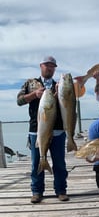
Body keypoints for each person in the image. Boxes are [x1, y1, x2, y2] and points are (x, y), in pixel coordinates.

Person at [17, 56, 69, 204]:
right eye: (47, 65)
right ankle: (37, 191)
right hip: (36, 129)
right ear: (41, 66)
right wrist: (34, 95)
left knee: (59, 162)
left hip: (58, 130)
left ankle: (61, 190)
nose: (50, 68)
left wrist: (61, 92)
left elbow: (67, 104)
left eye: (52, 66)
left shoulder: (59, 85)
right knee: (36, 162)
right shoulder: (30, 83)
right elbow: (19, 100)